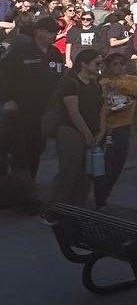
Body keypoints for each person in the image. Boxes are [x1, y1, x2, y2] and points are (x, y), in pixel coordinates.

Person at [0, 17, 63, 183]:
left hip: (45, 112)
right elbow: (2, 75)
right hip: (21, 111)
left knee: (36, 151)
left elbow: (60, 79)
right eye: (50, 31)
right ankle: (17, 188)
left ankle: (28, 186)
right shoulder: (21, 52)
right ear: (38, 32)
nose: (53, 35)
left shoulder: (55, 53)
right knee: (20, 154)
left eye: (55, 32)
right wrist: (7, 99)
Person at [48, 49, 105, 206]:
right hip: (71, 132)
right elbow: (73, 112)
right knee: (69, 171)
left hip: (93, 131)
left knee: (86, 173)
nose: (100, 66)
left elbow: (102, 107)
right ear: (84, 64)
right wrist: (87, 133)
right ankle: (54, 207)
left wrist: (101, 130)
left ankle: (76, 207)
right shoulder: (71, 82)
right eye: (97, 63)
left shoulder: (96, 83)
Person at [94, 52, 137, 208]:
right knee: (104, 164)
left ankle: (106, 191)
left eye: (122, 64)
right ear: (108, 67)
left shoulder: (132, 80)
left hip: (124, 126)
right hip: (106, 127)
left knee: (119, 162)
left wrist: (117, 86)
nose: (119, 67)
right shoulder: (101, 83)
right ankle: (100, 196)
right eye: (115, 64)